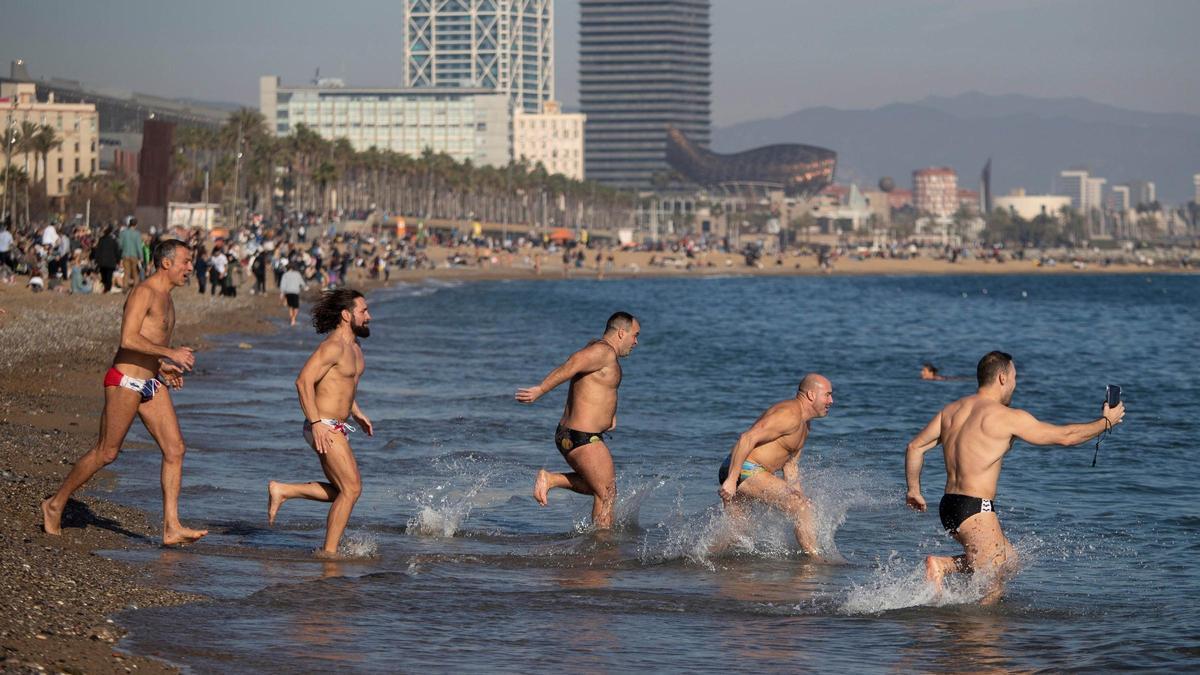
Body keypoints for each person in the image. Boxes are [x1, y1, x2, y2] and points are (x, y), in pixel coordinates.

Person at [904, 351, 1126, 604]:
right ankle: (980, 638)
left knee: (1010, 561)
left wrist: (914, 490)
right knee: (994, 583)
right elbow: (1065, 436)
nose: (1015, 384)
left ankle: (946, 571)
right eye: (1014, 378)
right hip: (976, 509)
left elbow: (915, 447)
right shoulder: (1006, 416)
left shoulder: (951, 411)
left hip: (949, 506)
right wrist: (1105, 422)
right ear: (1002, 378)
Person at [41, 239, 208, 546]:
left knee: (175, 450)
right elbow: (128, 339)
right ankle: (55, 503)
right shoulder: (144, 292)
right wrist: (170, 352)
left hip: (150, 382)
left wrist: (160, 366)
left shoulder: (168, 298)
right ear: (167, 263)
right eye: (185, 261)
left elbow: (146, 341)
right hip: (124, 382)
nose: (189, 267)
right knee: (106, 452)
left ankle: (171, 526)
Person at [266, 289, 374, 557]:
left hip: (336, 425)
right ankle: (329, 553)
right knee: (352, 489)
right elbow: (303, 381)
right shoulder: (333, 346)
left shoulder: (355, 347)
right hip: (322, 424)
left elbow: (341, 386)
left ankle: (284, 490)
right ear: (346, 315)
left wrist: (356, 411)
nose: (369, 316)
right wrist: (316, 423)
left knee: (342, 490)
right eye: (364, 311)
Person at [516, 312, 640, 530]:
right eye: (635, 335)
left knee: (599, 488)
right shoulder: (603, 352)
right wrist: (541, 389)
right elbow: (573, 363)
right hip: (582, 437)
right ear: (622, 332)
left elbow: (595, 387)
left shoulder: (600, 349)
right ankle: (603, 548)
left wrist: (609, 415)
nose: (636, 342)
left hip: (572, 435)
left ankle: (552, 480)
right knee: (606, 494)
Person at [717, 374, 835, 558]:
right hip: (745, 468)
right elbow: (746, 438)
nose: (831, 400)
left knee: (737, 534)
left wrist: (798, 495)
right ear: (811, 395)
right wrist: (732, 480)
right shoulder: (789, 414)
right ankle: (815, 561)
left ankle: (691, 559)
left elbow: (791, 466)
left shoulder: (805, 425)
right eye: (827, 395)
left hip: (742, 470)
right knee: (801, 507)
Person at [92, 226, 120, 293]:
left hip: (102, 262)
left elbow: (98, 250)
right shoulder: (113, 241)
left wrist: (96, 260)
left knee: (103, 275)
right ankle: (107, 289)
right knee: (109, 276)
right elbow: (117, 251)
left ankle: (105, 287)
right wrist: (118, 260)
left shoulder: (101, 240)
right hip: (111, 262)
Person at [118, 217, 143, 291]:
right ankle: (135, 288)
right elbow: (138, 246)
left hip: (125, 255)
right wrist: (141, 256)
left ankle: (125, 287)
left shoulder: (123, 233)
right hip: (134, 255)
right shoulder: (137, 234)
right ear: (136, 224)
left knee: (126, 272)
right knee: (135, 272)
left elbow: (120, 245)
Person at [279, 262, 306, 326]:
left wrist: (282, 293)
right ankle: (293, 319)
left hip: (288, 292)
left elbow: (283, 284)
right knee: (296, 307)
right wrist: (305, 287)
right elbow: (302, 283)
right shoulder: (297, 274)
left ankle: (292, 319)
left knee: (290, 306)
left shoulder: (285, 274)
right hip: (295, 292)